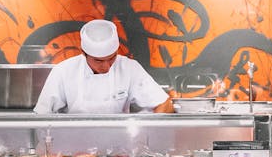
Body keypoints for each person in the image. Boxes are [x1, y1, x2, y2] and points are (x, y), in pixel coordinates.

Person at [33, 19, 174, 114]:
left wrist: (148, 135)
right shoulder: (64, 71)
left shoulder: (130, 68)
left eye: (112, 58)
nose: (106, 66)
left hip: (120, 149)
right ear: (84, 53)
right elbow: (42, 115)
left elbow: (164, 104)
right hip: (75, 148)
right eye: (99, 61)